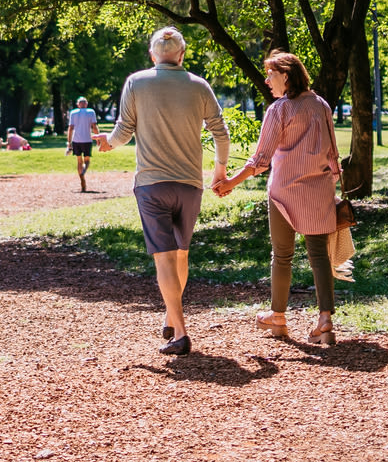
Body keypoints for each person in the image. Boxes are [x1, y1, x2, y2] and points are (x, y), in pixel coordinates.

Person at [99, 27, 231, 356]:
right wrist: (219, 171)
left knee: (164, 258)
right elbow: (221, 133)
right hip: (189, 184)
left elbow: (124, 130)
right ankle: (172, 316)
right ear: (182, 55)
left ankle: (181, 333)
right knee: (181, 255)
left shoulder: (137, 82)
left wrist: (108, 143)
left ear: (152, 54)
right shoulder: (199, 86)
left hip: (152, 184)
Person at [217, 50, 343, 345]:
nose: (266, 79)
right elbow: (333, 155)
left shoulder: (279, 110)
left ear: (286, 76)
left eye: (271, 74)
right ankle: (325, 320)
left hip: (284, 192)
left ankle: (278, 317)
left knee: (282, 255)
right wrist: (330, 185)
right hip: (319, 190)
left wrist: (231, 182)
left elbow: (261, 159)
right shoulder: (322, 105)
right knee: (319, 256)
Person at [67, 96, 101, 193]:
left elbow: (70, 128)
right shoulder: (91, 112)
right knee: (87, 160)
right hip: (87, 139)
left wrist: (69, 143)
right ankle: (83, 172)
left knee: (79, 160)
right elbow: (94, 126)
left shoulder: (73, 113)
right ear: (86, 104)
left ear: (78, 104)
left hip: (76, 140)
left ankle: (81, 177)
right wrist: (97, 138)